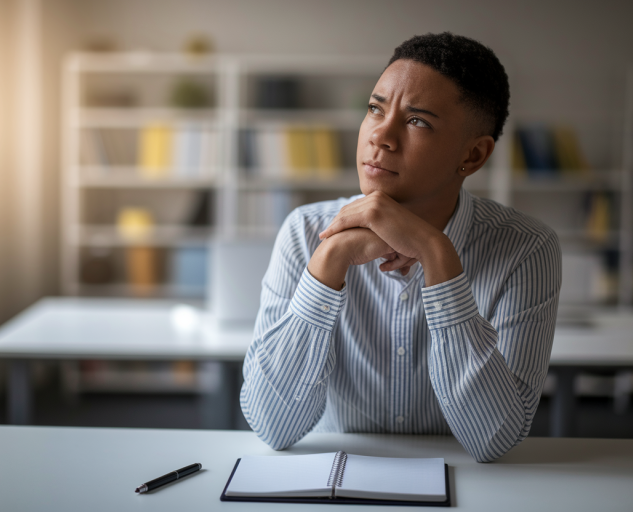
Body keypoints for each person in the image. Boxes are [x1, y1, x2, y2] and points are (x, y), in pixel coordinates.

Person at [240, 32, 561, 463]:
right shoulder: (306, 232)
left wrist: (436, 253)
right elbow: (272, 425)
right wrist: (330, 260)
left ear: (473, 156)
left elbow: (494, 440)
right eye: (375, 109)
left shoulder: (526, 248)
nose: (381, 136)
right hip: (335, 482)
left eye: (417, 121)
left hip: (469, 490)